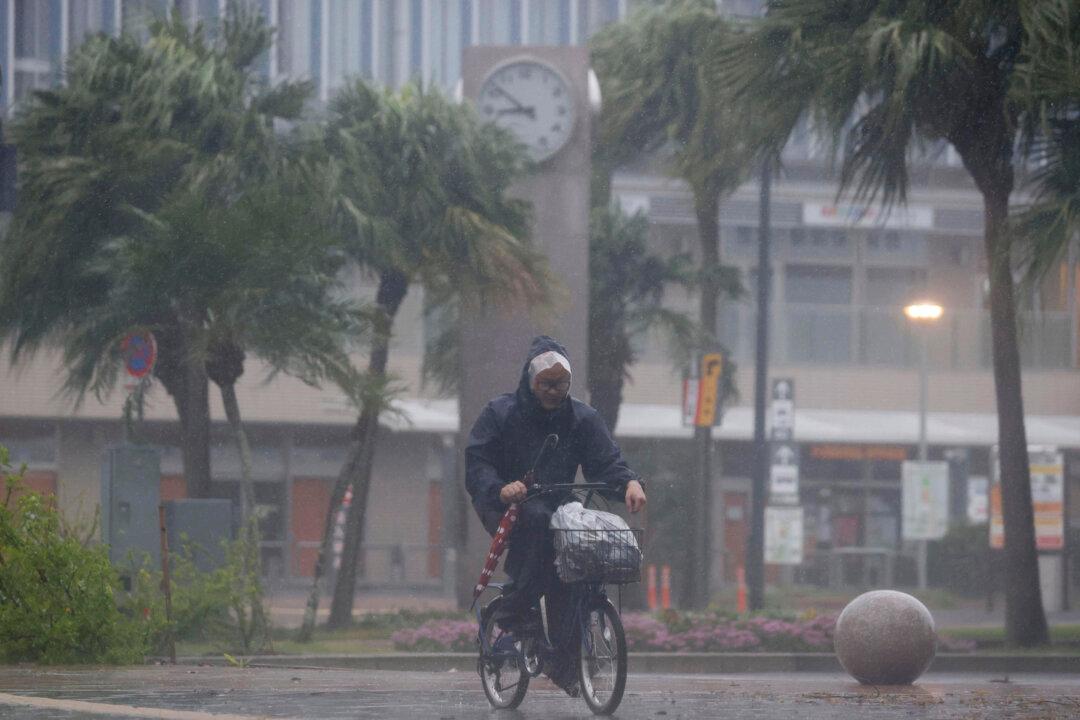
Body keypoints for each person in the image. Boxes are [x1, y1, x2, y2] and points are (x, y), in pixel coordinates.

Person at [465, 335, 646, 695]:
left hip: (559, 505)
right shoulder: (500, 414)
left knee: (572, 567)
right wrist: (501, 488)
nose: (553, 391)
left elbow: (606, 460)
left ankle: (562, 662)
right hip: (506, 505)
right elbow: (477, 462)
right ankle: (513, 611)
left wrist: (629, 483)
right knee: (535, 525)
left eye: (560, 384)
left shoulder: (583, 418)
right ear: (529, 382)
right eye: (545, 384)